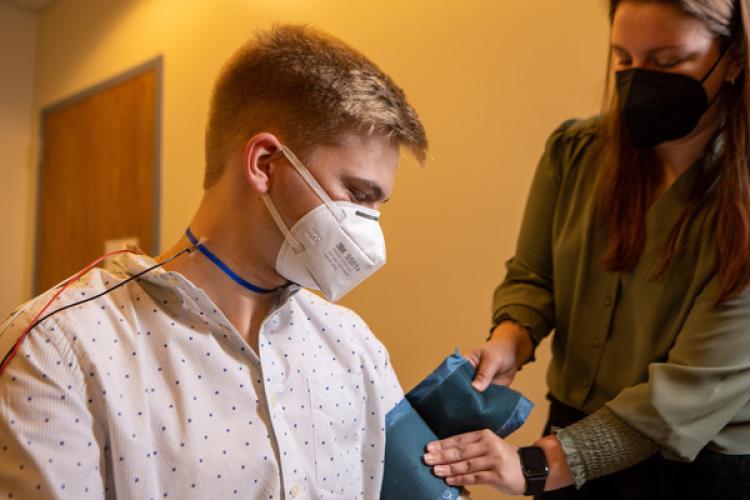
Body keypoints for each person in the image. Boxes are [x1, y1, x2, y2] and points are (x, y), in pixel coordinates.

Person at [0, 25, 427, 499]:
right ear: (264, 163)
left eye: (378, 205)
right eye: (357, 194)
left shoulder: (354, 349)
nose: (369, 228)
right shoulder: (59, 349)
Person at [423, 1, 750, 498]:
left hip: (695, 468)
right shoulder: (575, 152)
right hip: (571, 433)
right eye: (623, 59)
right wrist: (511, 341)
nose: (639, 80)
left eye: (667, 62)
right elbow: (534, 277)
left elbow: (687, 392)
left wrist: (534, 466)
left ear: (735, 58)